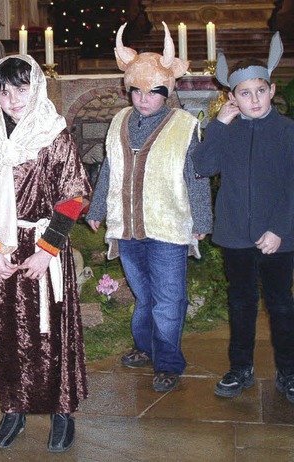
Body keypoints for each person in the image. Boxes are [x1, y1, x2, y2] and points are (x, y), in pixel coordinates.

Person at [0, 55, 91, 452]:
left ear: (36, 87)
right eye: (3, 90)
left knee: (50, 333)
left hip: (43, 252)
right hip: (3, 254)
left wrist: (46, 250)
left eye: (21, 88)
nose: (12, 98)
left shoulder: (54, 137)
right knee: (6, 335)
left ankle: (62, 411)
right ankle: (13, 409)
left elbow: (73, 197)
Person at [86, 22, 212, 393]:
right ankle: (144, 347)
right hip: (127, 228)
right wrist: (96, 210)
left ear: (167, 90)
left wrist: (202, 218)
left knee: (169, 299)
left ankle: (169, 362)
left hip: (168, 228)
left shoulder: (185, 125)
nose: (144, 99)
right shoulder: (119, 121)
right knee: (144, 296)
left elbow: (196, 176)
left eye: (154, 91)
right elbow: (109, 167)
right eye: (136, 91)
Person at [192, 33, 294, 403]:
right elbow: (202, 166)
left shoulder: (287, 132)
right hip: (236, 235)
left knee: (282, 304)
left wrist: (280, 229)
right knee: (241, 304)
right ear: (232, 97)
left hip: (280, 238)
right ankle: (240, 368)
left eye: (259, 91)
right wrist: (218, 124)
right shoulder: (227, 131)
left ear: (271, 90)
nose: (253, 99)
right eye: (244, 93)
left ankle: (288, 370)